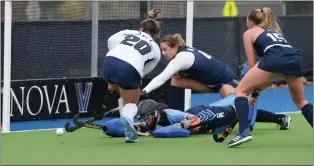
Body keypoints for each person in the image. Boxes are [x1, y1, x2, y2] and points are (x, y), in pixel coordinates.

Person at [228, 7, 313, 147]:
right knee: (301, 100)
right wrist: (258, 90)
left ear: (250, 21)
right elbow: (269, 72)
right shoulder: (273, 32)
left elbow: (252, 64)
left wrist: (250, 89)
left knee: (240, 91)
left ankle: (243, 133)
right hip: (294, 58)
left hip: (274, 58)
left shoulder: (249, 33)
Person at [102, 9, 162, 143]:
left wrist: (112, 83)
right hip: (131, 67)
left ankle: (126, 124)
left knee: (122, 93)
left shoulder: (128, 32)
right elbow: (142, 71)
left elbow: (111, 40)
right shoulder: (156, 50)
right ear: (155, 35)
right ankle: (128, 121)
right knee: (131, 101)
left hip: (109, 61)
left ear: (140, 28)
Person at [141, 34, 238, 100]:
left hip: (226, 81)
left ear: (175, 48)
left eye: (165, 50)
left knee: (234, 107)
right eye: (162, 50)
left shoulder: (181, 58)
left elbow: (161, 79)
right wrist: (182, 74)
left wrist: (144, 91)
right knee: (176, 81)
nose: (163, 53)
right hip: (211, 84)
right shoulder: (183, 51)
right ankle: (176, 117)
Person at [134, 99, 292, 135]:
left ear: (155, 113)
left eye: (147, 118)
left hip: (202, 114)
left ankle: (280, 118)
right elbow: (141, 127)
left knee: (235, 111)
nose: (146, 121)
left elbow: (195, 120)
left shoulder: (171, 114)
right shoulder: (152, 121)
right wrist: (131, 128)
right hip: (206, 126)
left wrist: (182, 125)